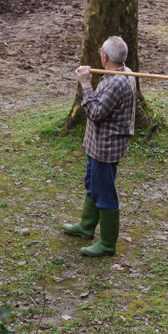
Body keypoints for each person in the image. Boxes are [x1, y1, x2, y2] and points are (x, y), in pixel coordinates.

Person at [63, 35, 137, 257]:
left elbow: (95, 113)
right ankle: (86, 227)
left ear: (104, 57)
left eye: (100, 52)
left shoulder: (116, 82)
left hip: (106, 148)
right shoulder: (122, 73)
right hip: (98, 145)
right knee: (92, 183)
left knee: (104, 192)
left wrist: (86, 84)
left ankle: (107, 244)